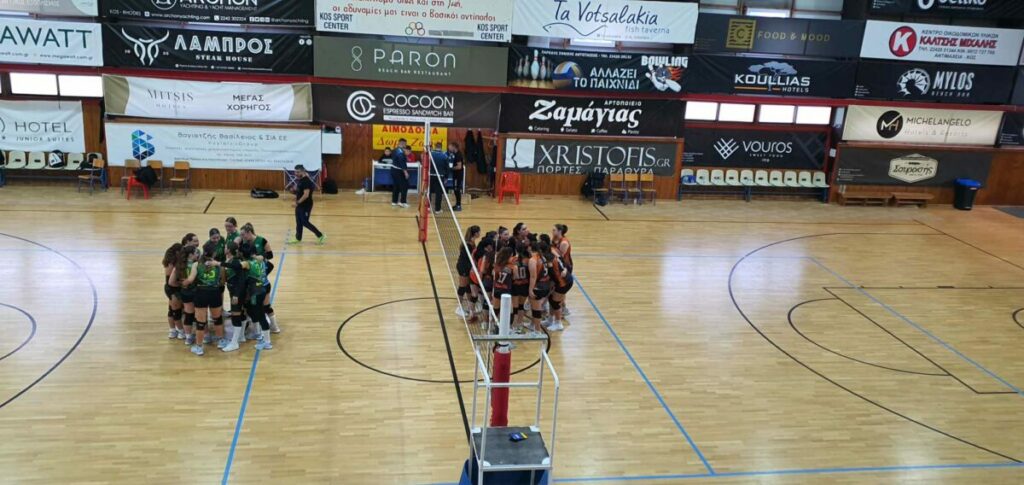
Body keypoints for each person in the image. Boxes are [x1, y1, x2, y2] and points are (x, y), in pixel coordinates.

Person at [192, 242, 226, 356]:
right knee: (217, 319)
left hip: (201, 293)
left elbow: (191, 279)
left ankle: (199, 347)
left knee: (200, 322)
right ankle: (221, 341)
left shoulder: (197, 264)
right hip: (214, 293)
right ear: (214, 253)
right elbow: (222, 281)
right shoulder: (218, 265)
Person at [288, 164, 326, 246]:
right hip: (300, 205)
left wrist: (297, 203)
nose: (296, 174)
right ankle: (298, 238)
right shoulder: (301, 179)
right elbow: (300, 192)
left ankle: (320, 236)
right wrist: (294, 192)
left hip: (306, 205)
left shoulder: (306, 181)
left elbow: (306, 195)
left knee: (304, 222)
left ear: (303, 171)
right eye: (295, 172)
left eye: (298, 172)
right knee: (298, 221)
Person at [169, 245, 200, 345]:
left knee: (188, 315)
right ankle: (204, 336)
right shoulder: (196, 265)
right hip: (196, 292)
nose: (198, 254)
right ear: (190, 255)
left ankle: (188, 338)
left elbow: (171, 282)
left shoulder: (178, 266)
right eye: (196, 253)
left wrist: (181, 284)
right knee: (200, 315)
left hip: (185, 292)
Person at [456, 225, 481, 320]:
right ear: (476, 233)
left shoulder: (472, 242)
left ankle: (470, 307)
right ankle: (458, 307)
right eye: (479, 232)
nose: (480, 233)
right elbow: (469, 258)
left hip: (467, 266)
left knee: (467, 286)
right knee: (462, 287)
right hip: (463, 266)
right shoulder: (468, 244)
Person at [528, 240, 554, 332]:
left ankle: (537, 331)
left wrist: (530, 290)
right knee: (537, 308)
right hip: (545, 285)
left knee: (536, 311)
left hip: (538, 287)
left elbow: (533, 276)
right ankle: (533, 326)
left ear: (531, 248)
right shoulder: (543, 257)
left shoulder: (533, 260)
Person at [163, 243, 185, 339]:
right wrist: (182, 284)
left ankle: (172, 330)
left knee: (172, 310)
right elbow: (171, 282)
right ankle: (180, 331)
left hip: (169, 288)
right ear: (177, 252)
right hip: (173, 289)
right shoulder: (173, 263)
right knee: (176, 311)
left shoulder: (169, 260)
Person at [429, 142, 450, 214]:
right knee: (438, 193)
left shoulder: (430, 154)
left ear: (435, 146)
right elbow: (447, 168)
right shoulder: (445, 156)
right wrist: (446, 177)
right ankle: (437, 209)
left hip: (431, 175)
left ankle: (428, 207)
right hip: (440, 176)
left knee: (429, 191)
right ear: (441, 147)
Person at [387, 144, 410, 208]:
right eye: (409, 152)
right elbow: (402, 165)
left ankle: (394, 201)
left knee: (396, 186)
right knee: (405, 186)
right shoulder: (401, 154)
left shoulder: (396, 150)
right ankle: (403, 202)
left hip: (394, 170)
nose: (409, 153)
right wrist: (406, 173)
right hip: (399, 172)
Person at [448, 142, 465, 211]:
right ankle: (457, 204)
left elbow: (459, 166)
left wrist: (451, 168)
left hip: (458, 176)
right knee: (456, 190)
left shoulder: (458, 155)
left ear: (454, 147)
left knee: (457, 190)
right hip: (456, 175)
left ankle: (458, 205)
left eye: (450, 147)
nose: (449, 148)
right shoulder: (455, 154)